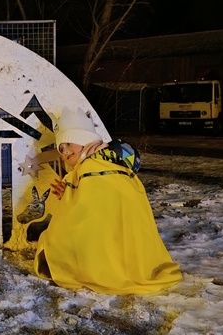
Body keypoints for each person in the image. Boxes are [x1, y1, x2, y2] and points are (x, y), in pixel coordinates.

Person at [34, 107, 182, 294]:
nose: (65, 151)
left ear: (83, 140)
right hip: (131, 245)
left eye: (69, 143)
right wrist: (68, 194)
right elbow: (97, 204)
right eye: (61, 149)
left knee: (53, 241)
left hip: (106, 245)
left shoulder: (91, 167)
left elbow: (86, 214)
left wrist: (70, 197)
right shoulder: (108, 163)